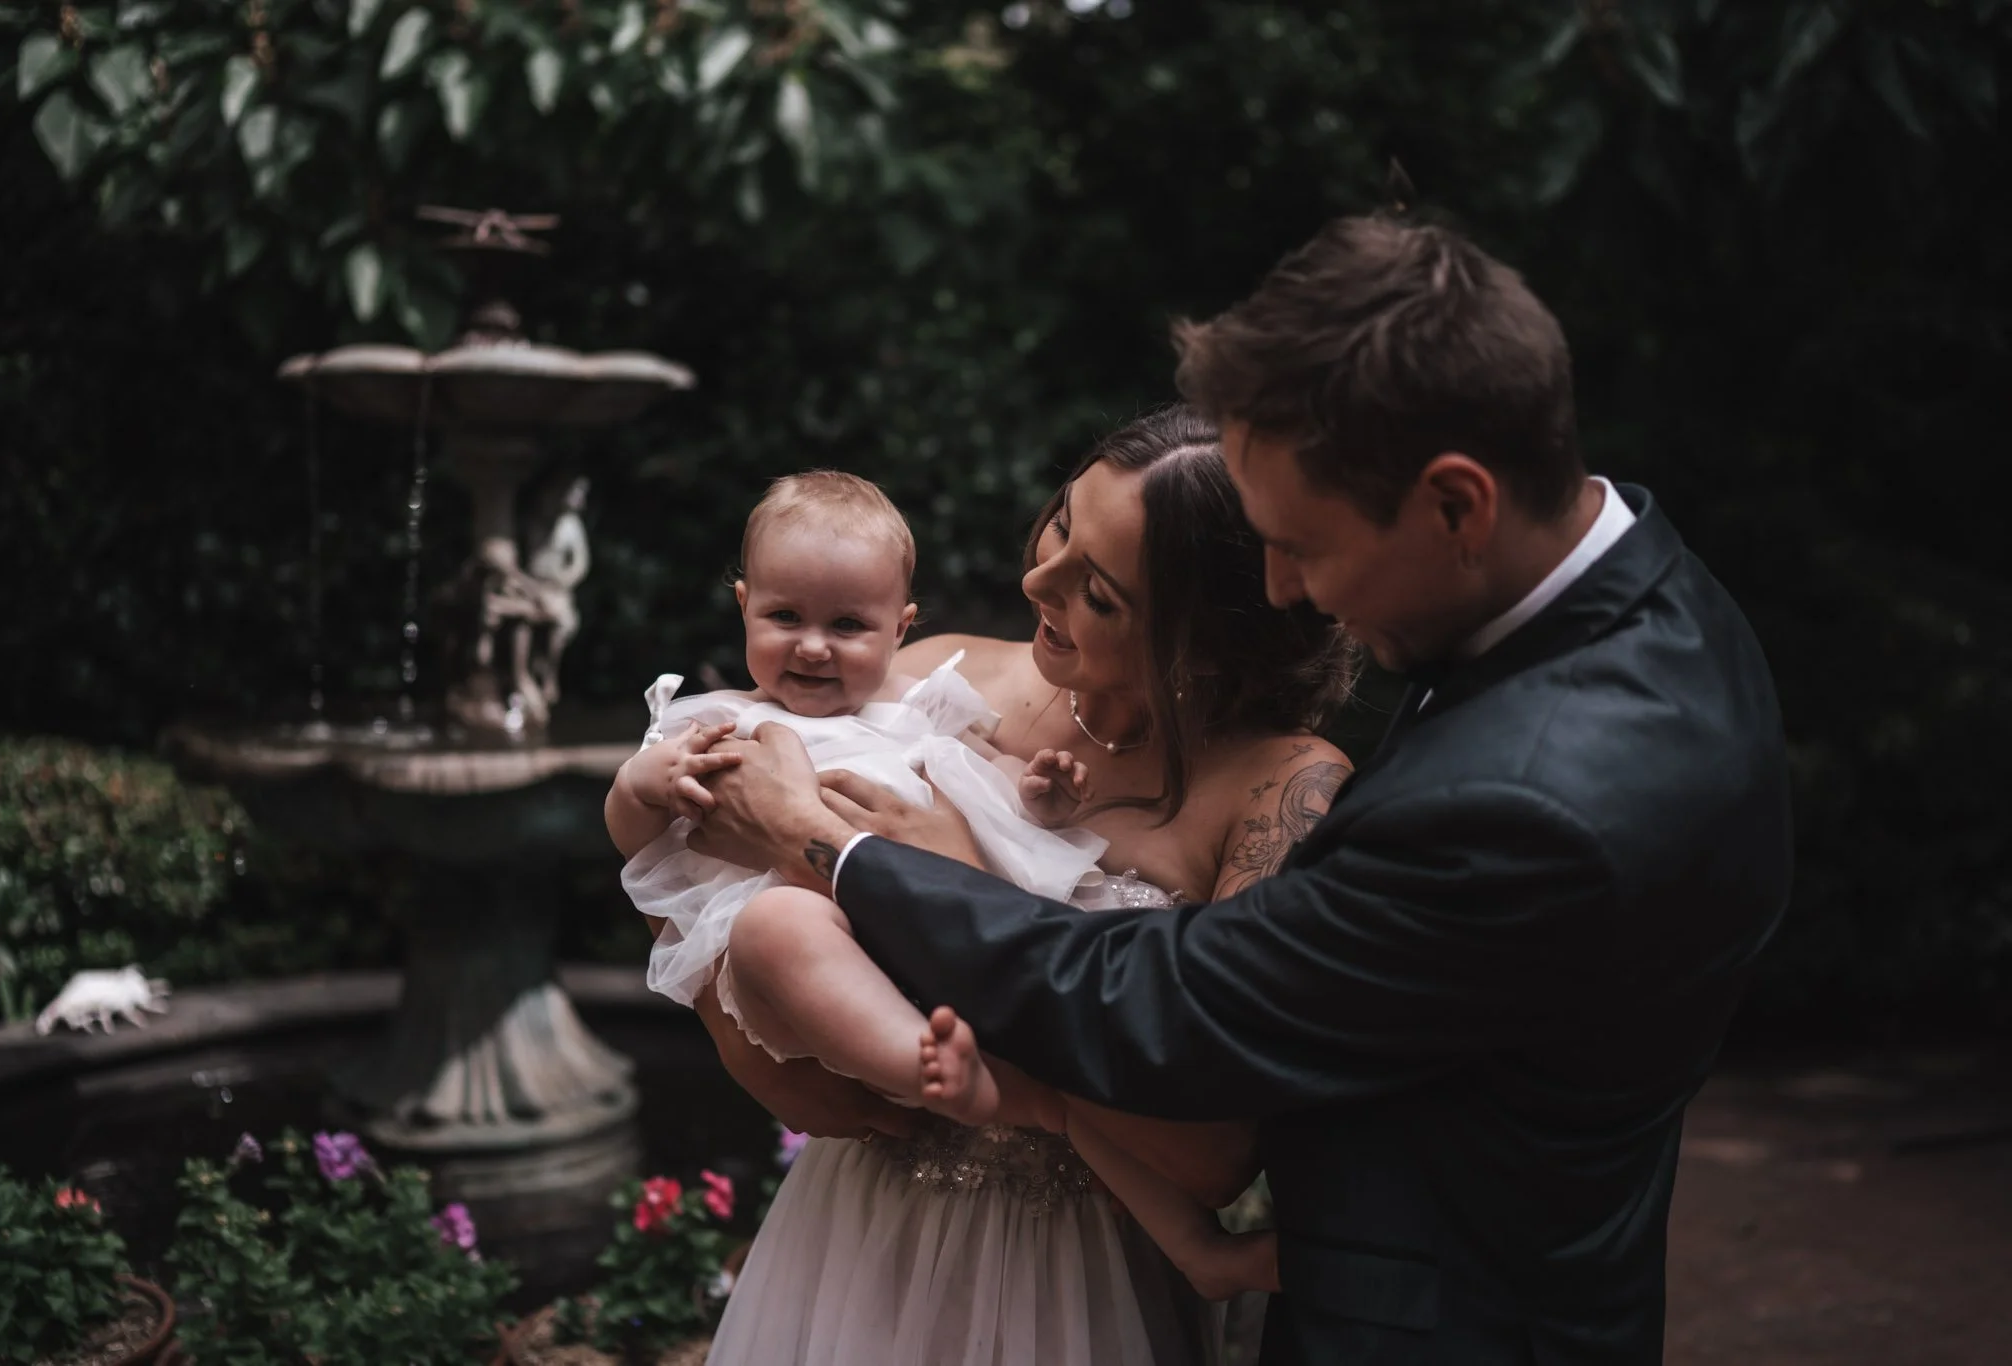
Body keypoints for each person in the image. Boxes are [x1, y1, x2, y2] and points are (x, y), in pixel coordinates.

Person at [689, 214, 1795, 1365]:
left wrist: (855, 854)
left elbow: (1186, 1023)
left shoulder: (1528, 795)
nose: (1284, 588)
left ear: (1457, 505)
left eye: (1300, 542)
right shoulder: (1650, 610)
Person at [646, 413, 1356, 1364]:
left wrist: (955, 884)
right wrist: (741, 1041)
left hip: (1085, 1265)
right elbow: (732, 915)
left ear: (1206, 640)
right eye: (1060, 525)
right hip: (862, 1223)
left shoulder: (1283, 787)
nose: (1036, 580)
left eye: (1095, 591)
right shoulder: (932, 677)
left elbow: (1215, 1151)